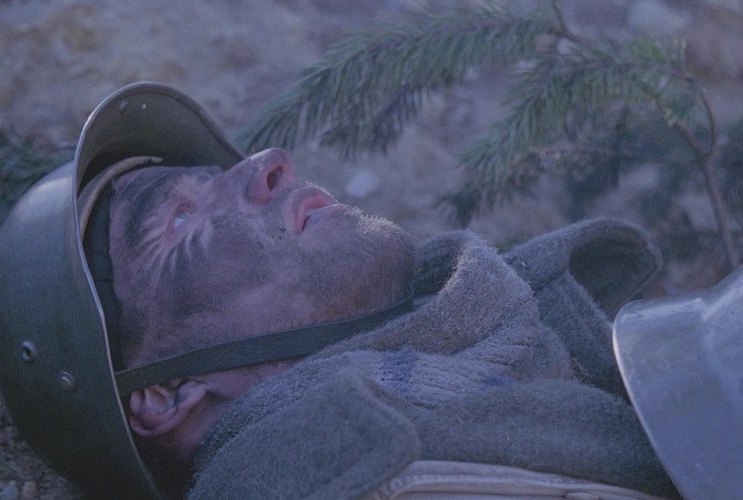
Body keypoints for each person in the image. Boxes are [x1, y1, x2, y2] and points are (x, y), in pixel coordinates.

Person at [103, 148, 677, 498]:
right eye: (180, 218)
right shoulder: (336, 479)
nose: (268, 164)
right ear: (166, 394)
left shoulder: (515, 319)